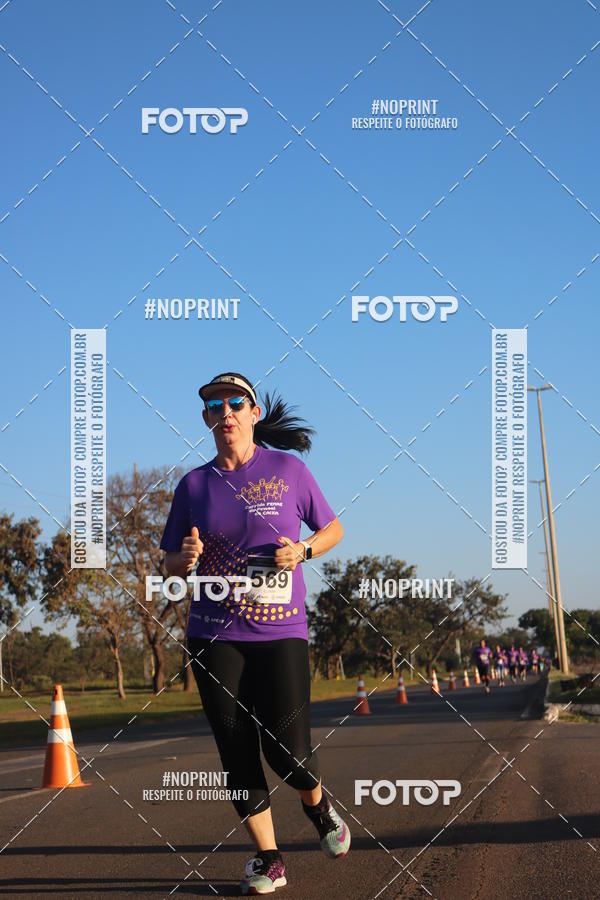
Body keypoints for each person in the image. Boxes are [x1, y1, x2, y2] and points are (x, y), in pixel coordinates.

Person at [160, 372, 349, 895]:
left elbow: (332, 528)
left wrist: (304, 551)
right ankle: (269, 858)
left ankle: (318, 805)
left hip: (281, 630)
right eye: (214, 406)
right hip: (213, 634)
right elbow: (170, 560)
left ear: (254, 412)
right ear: (205, 420)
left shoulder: (289, 469)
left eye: (235, 403)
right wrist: (184, 559)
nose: (225, 412)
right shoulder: (193, 485)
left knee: (288, 751)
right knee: (236, 750)